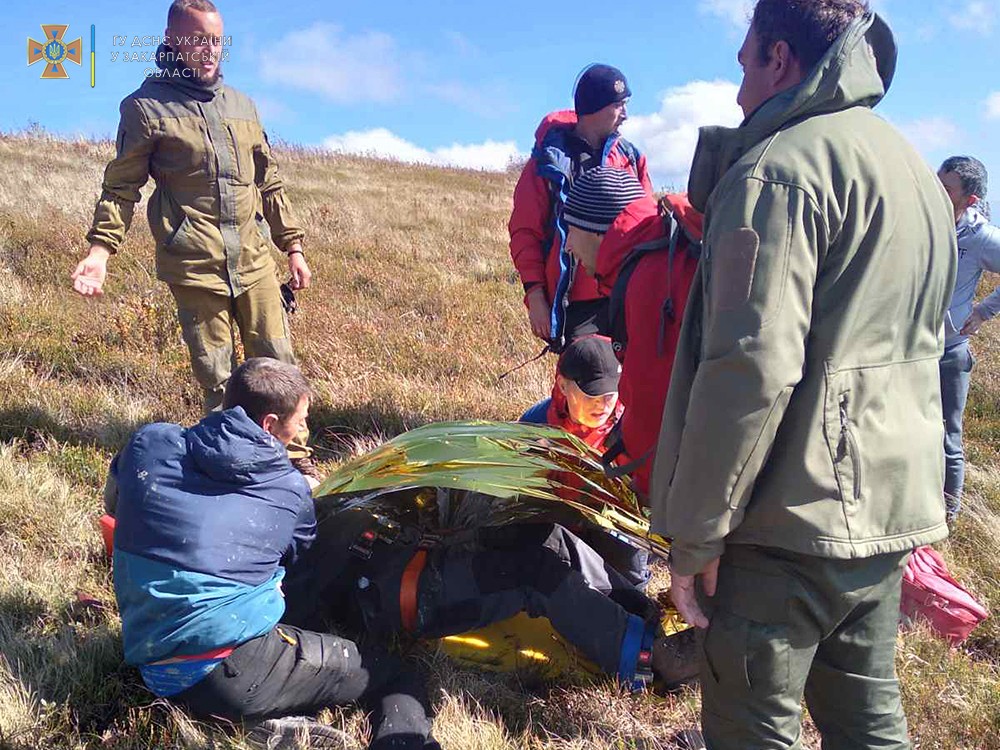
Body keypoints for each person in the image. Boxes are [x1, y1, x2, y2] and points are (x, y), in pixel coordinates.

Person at [648, 3, 956, 748]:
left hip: (785, 528)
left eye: (746, 63)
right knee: (869, 719)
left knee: (752, 726)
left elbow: (751, 368)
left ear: (780, 59)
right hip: (885, 513)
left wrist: (695, 537)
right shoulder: (915, 172)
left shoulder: (776, 172)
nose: (737, 87)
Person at [106, 358, 437, 749]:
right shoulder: (287, 489)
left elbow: (114, 507)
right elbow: (300, 568)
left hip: (150, 656)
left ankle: (255, 722)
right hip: (230, 669)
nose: (304, 430)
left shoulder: (151, 441)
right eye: (300, 421)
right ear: (268, 425)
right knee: (395, 674)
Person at [71, 0, 320, 482]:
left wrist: (292, 246)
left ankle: (292, 461)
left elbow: (267, 182)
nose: (209, 50)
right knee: (218, 373)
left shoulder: (242, 106)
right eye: (198, 39)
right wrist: (100, 253)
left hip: (253, 261)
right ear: (173, 40)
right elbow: (121, 187)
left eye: (216, 39)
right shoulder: (145, 108)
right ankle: (234, 466)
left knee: (278, 362)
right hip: (194, 262)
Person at [282, 495, 699, 694]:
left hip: (417, 550)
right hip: (407, 592)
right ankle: (647, 660)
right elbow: (303, 622)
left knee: (544, 534)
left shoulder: (293, 508)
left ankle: (637, 614)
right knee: (535, 573)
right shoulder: (282, 570)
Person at [560, 167, 701, 499]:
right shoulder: (661, 255)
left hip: (685, 488)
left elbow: (654, 401)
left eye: (572, 230)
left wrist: (648, 493)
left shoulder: (650, 279)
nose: (567, 245)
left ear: (597, 230)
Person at [508, 64, 653, 352]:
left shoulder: (631, 158)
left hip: (625, 296)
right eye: (618, 105)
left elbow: (647, 228)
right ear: (594, 108)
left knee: (627, 388)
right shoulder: (546, 163)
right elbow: (525, 232)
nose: (625, 114)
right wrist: (535, 295)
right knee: (581, 385)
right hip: (575, 304)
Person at [936, 155, 1000, 521]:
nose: (937, 192)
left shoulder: (980, 238)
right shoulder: (922, 221)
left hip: (949, 352)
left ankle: (949, 515)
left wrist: (983, 312)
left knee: (948, 438)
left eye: (946, 189)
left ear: (970, 200)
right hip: (907, 350)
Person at [520, 334, 624, 452]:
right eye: (591, 394)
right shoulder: (536, 425)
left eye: (610, 394)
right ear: (563, 386)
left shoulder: (631, 431)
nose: (602, 404)